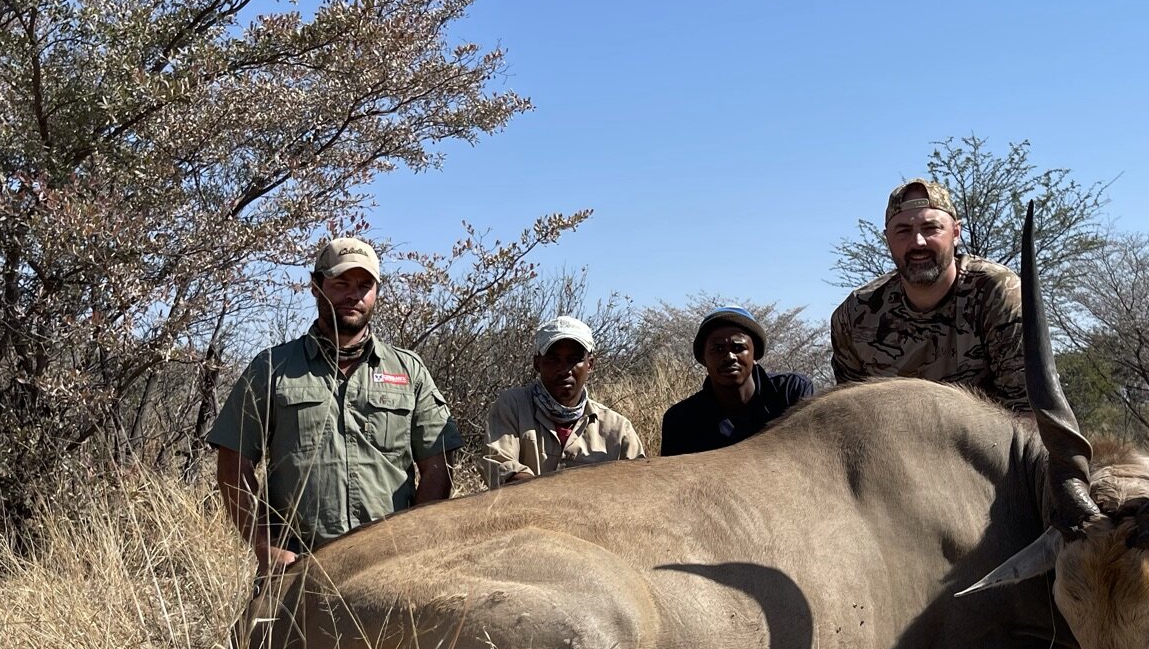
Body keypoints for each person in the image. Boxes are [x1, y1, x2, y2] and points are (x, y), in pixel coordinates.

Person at [209, 236, 460, 572]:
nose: (353, 295)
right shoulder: (271, 368)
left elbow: (438, 466)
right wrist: (265, 544)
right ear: (316, 286)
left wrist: (411, 543)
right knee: (258, 628)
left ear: (376, 293)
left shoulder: (408, 370)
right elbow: (232, 464)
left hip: (390, 566)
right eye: (341, 283)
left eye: (364, 285)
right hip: (299, 567)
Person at [829, 177, 1026, 405]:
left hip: (986, 438)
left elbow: (1027, 414)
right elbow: (849, 416)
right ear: (887, 240)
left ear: (955, 233)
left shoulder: (998, 293)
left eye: (931, 228)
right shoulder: (854, 315)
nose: (918, 242)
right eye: (903, 231)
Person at [482, 315, 645, 487]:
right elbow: (497, 465)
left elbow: (639, 486)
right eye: (553, 359)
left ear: (590, 364)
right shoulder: (513, 406)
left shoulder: (618, 429)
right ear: (537, 363)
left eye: (574, 359)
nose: (564, 369)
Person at [659, 307, 814, 456]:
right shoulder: (681, 420)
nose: (730, 357)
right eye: (719, 349)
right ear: (704, 359)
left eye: (738, 347)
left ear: (755, 355)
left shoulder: (792, 393)